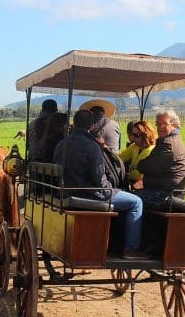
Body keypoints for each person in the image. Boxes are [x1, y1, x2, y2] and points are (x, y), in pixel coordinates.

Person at [53, 109, 148, 259]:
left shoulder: (60, 144)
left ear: (74, 124)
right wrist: (111, 190)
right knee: (136, 202)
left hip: (66, 193)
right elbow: (99, 179)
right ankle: (131, 249)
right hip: (90, 195)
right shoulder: (92, 146)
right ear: (91, 127)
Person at [135, 109, 185, 207]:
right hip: (166, 191)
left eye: (164, 124)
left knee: (130, 201)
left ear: (174, 125)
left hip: (164, 194)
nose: (160, 127)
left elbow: (145, 166)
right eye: (158, 124)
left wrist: (141, 164)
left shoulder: (168, 143)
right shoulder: (174, 139)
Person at [119, 121, 156, 191]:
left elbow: (139, 174)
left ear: (146, 135)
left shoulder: (152, 151)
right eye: (132, 135)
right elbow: (120, 158)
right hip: (135, 184)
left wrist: (125, 175)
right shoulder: (135, 147)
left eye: (136, 135)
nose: (132, 138)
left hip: (146, 187)